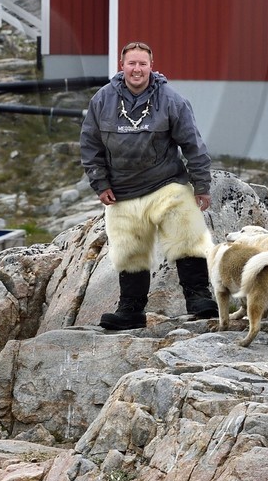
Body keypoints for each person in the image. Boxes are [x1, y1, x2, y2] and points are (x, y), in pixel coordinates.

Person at [80, 41, 218, 331]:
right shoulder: (102, 100)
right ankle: (130, 310)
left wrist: (201, 185)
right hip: (122, 190)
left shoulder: (172, 100)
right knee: (129, 250)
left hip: (166, 183)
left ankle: (199, 299)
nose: (137, 69)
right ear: (122, 66)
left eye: (142, 63)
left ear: (151, 66)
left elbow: (193, 145)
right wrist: (100, 182)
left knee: (188, 234)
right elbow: (90, 145)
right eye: (132, 63)